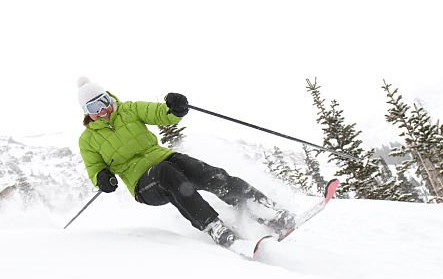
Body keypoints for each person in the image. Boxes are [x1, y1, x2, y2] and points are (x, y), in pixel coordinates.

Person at [76, 77, 293, 247]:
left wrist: (174, 108)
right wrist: (102, 177)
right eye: (94, 108)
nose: (102, 111)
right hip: (143, 185)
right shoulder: (87, 140)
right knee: (166, 174)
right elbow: (95, 168)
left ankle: (268, 210)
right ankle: (214, 226)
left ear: (109, 98)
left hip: (165, 159)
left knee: (205, 173)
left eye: (103, 102)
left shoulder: (129, 109)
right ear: (87, 113)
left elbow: (161, 114)